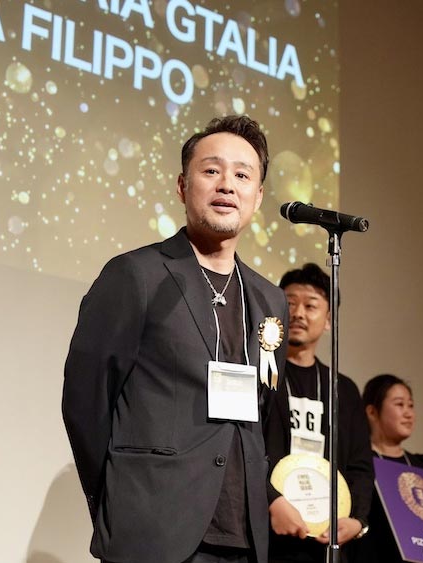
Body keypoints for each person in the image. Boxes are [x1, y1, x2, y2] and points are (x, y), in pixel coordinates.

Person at [62, 115, 289, 563]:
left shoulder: (270, 299)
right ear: (183, 186)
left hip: (244, 538)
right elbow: (86, 401)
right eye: (212, 170)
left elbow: (265, 414)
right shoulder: (136, 275)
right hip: (153, 530)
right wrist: (119, 497)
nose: (227, 185)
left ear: (258, 196)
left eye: (242, 175)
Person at [264, 263, 374, 562]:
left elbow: (361, 466)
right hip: (268, 535)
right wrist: (271, 501)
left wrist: (357, 520)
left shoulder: (344, 389)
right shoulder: (260, 374)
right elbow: (240, 450)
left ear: (328, 320)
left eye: (311, 305)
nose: (298, 313)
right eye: (290, 304)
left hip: (326, 541)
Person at [351, 374, 423, 563]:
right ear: (372, 412)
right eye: (399, 404)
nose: (408, 413)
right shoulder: (359, 464)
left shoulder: (422, 465)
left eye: (411, 405)